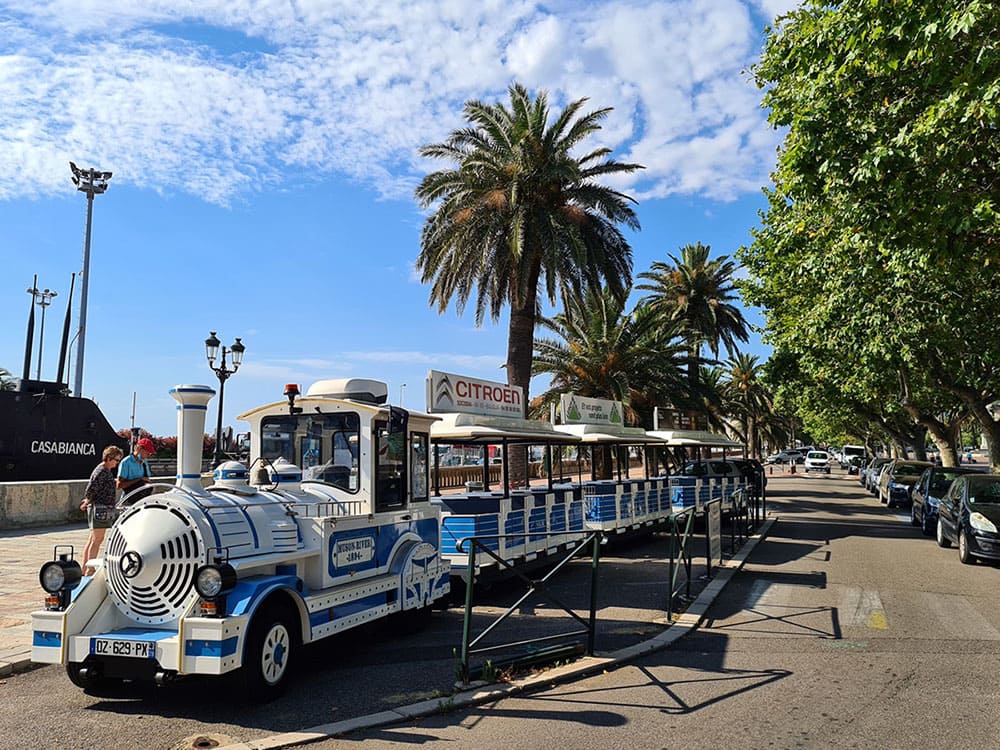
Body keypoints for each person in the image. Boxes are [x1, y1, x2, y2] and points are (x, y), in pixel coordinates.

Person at [80, 445, 124, 576]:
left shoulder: (103, 470)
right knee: (97, 540)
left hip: (101, 508)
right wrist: (87, 501)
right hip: (100, 508)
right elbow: (91, 488)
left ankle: (85, 567)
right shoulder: (102, 471)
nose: (117, 463)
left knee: (92, 539)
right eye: (116, 460)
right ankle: (90, 569)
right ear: (109, 458)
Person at [118, 437, 156, 503]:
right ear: (140, 449)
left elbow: (147, 480)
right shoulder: (126, 462)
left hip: (143, 501)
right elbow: (119, 485)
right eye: (148, 453)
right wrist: (139, 479)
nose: (149, 455)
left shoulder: (144, 463)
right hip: (128, 502)